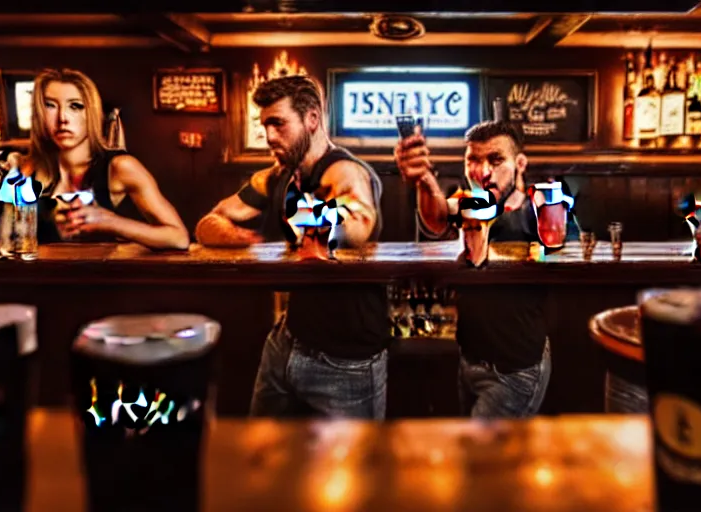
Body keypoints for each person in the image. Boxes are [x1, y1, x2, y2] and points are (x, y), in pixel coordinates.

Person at [194, 75, 389, 419]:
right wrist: (240, 238)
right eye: (265, 124)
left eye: (278, 123)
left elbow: (358, 224)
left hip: (345, 357)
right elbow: (208, 223)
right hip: (287, 341)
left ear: (311, 119)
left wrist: (316, 219)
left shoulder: (344, 171)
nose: (269, 136)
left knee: (349, 470)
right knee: (264, 458)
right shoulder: (277, 176)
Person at [394, 120, 578, 417]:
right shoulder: (469, 203)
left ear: (519, 163)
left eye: (496, 160)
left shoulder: (537, 206)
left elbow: (568, 247)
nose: (482, 172)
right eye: (473, 161)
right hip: (470, 360)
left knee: (483, 455)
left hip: (515, 369)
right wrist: (424, 180)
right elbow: (438, 217)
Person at [26, 69, 188, 250]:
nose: (62, 118)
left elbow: (179, 238)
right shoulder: (28, 170)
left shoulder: (120, 167)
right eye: (50, 105)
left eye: (75, 106)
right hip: (39, 277)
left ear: (92, 113)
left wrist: (110, 222)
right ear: (39, 114)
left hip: (103, 277)